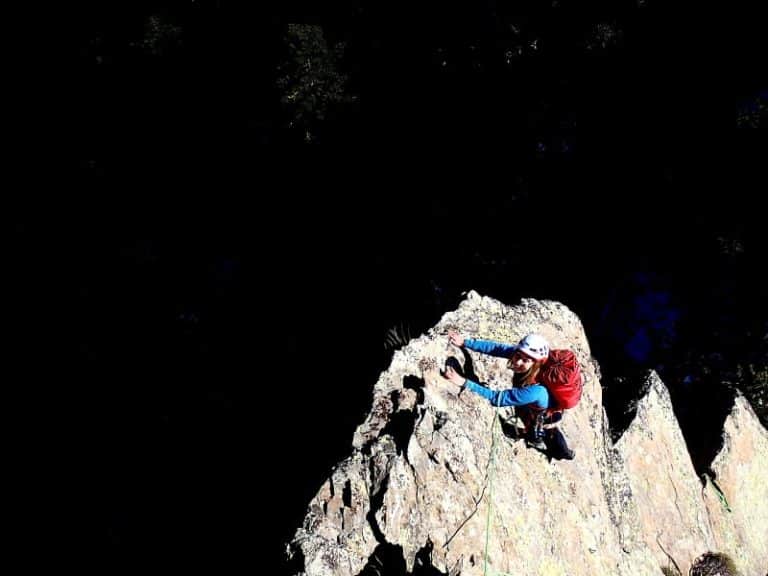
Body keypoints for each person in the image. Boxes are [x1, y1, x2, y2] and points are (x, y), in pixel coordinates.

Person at [443, 330, 576, 460]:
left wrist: (464, 382)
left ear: (536, 363)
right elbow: (495, 348)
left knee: (545, 435)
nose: (518, 362)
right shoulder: (526, 357)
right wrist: (465, 343)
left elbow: (497, 398)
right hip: (534, 405)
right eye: (518, 356)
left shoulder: (536, 391)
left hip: (544, 415)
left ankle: (563, 453)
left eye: (525, 361)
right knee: (534, 422)